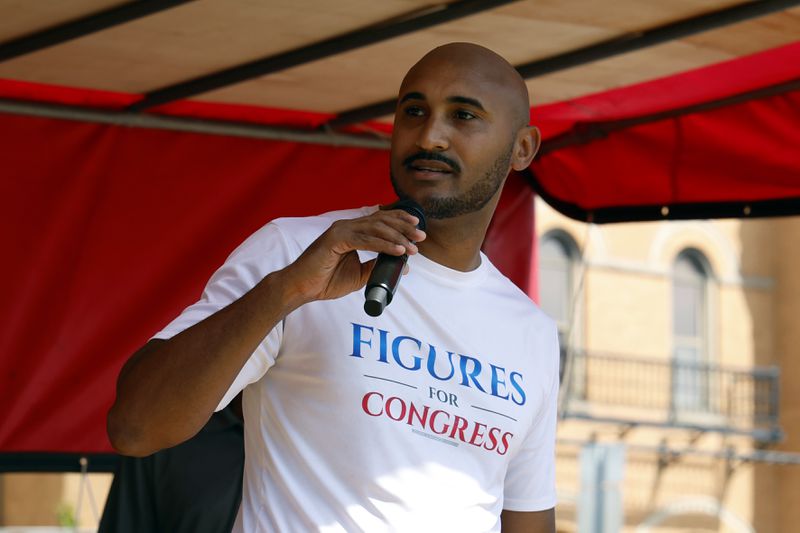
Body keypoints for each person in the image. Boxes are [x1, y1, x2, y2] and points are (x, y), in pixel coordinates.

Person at [108, 42, 559, 533]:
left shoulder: (531, 331)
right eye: (414, 111)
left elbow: (527, 515)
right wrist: (286, 291)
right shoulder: (295, 251)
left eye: (463, 116)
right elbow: (136, 427)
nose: (430, 136)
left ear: (522, 148)